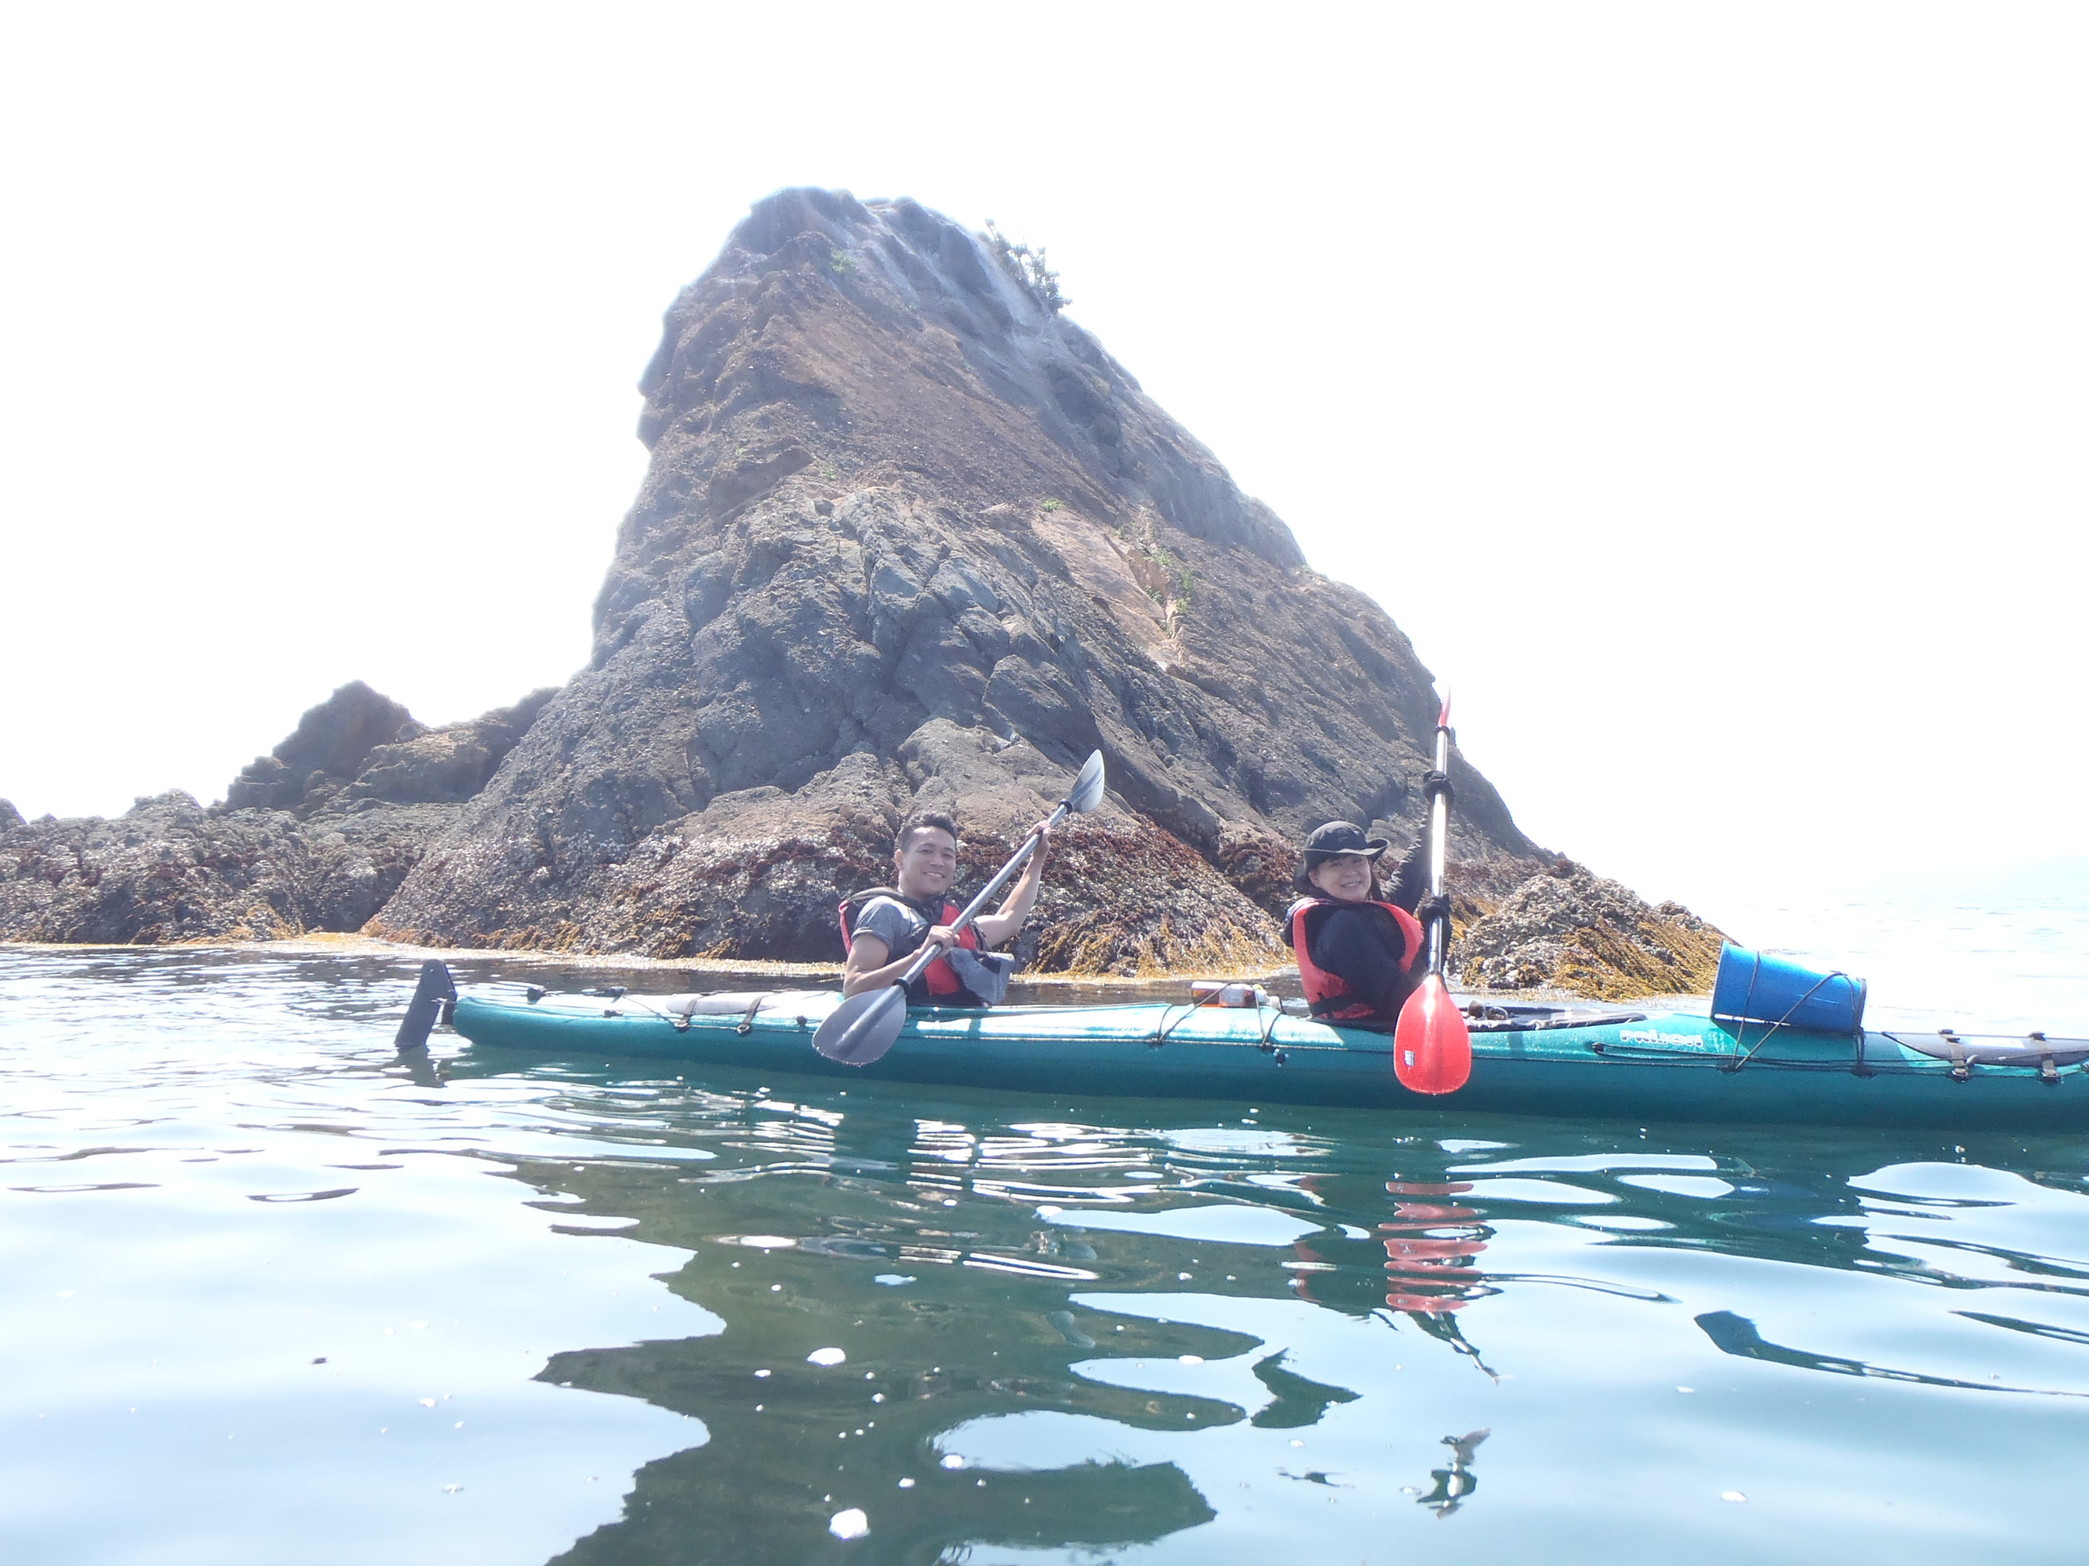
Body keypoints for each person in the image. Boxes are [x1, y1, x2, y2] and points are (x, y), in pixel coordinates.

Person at [839, 810, 1052, 1007]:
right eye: (926, 851)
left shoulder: (951, 921)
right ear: (900, 859)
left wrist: (1037, 858)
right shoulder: (884, 911)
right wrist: (919, 957)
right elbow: (854, 988)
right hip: (910, 1025)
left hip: (954, 1021)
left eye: (947, 855)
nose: (938, 862)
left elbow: (1008, 920)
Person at [1281, 818, 1449, 1028]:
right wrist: (1435, 943)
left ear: (1369, 865)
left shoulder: (1369, 913)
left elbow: (1411, 875)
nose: (1350, 871)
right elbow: (1404, 1005)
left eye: (1357, 861)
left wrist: (1435, 817)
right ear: (1315, 877)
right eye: (1336, 864)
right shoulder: (1342, 930)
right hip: (1373, 1034)